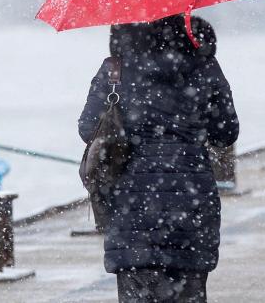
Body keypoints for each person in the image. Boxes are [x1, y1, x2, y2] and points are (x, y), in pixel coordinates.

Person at [78, 15, 239, 303]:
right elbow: (227, 131)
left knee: (138, 291)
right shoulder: (204, 66)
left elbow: (89, 128)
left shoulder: (115, 71)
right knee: (188, 292)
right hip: (191, 202)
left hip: (132, 204)